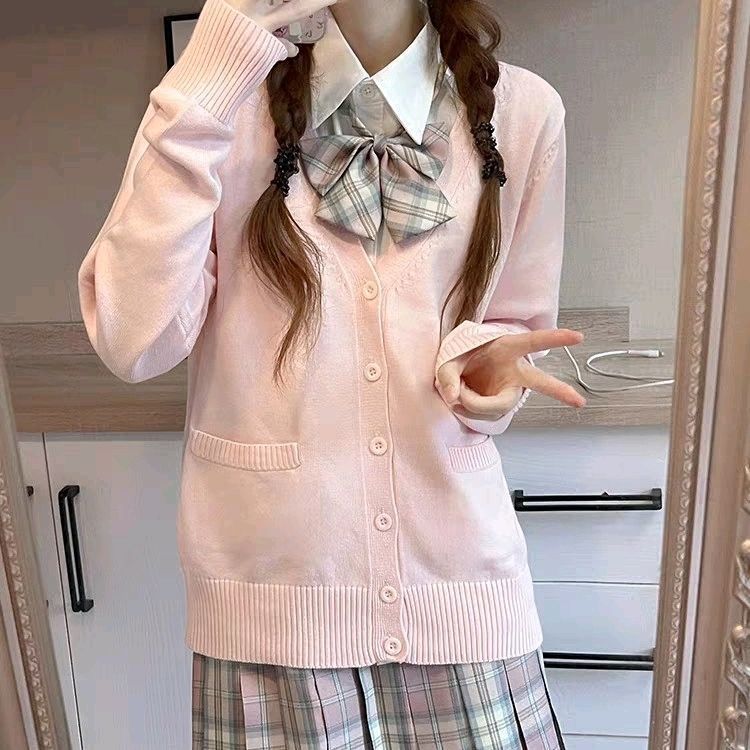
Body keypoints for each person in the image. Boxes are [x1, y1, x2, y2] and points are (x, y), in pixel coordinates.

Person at [78, 0, 586, 746]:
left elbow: (514, 327)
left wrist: (488, 376)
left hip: (462, 593)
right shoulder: (219, 104)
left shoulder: (524, 112)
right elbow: (133, 338)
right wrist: (205, 76)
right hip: (272, 605)